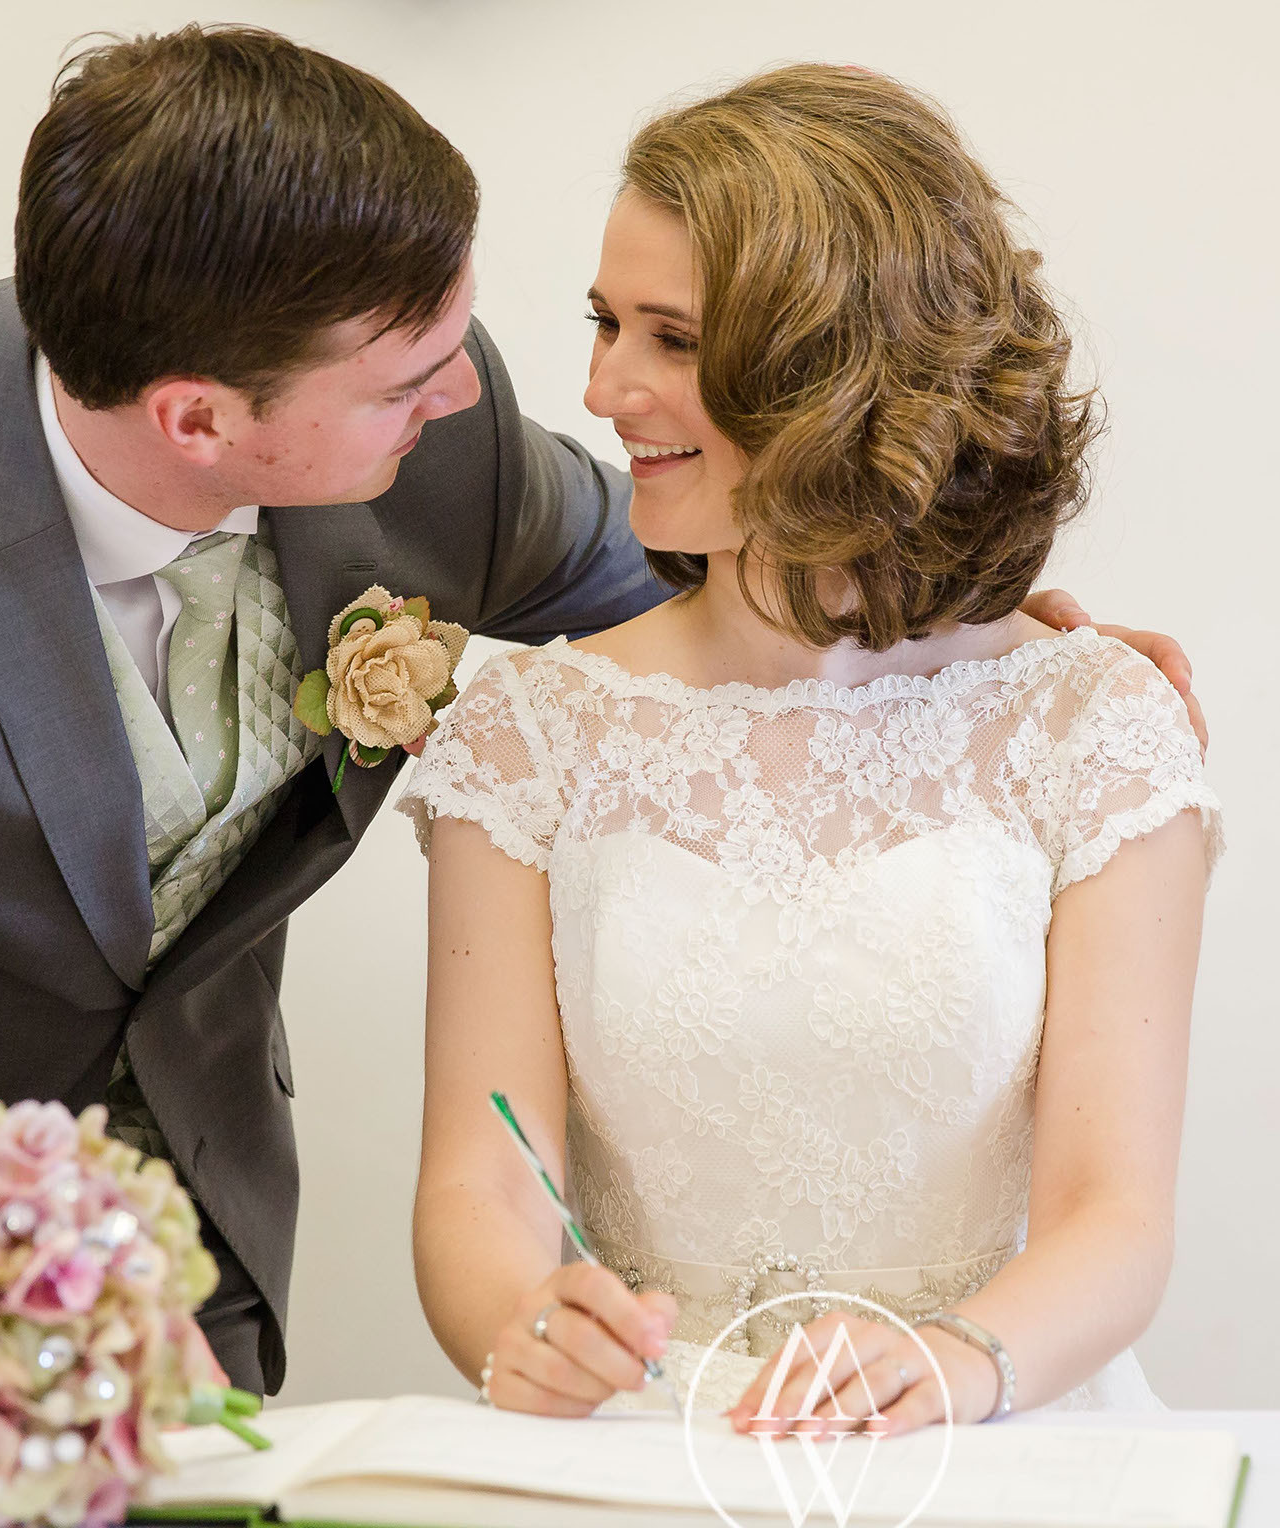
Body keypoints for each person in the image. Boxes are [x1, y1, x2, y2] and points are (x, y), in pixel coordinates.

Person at [0, 28, 1196, 1405]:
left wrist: (969, 641)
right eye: (409, 375)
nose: (484, 394)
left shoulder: (440, 430)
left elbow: (728, 589)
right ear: (202, 417)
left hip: (192, 1287)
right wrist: (18, 1342)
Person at [405, 64, 1220, 1434]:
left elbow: (1114, 1214)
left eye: (673, 339)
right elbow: (479, 1184)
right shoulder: (525, 733)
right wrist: (516, 1317)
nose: (605, 390)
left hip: (986, 1429)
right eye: (608, 324)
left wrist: (960, 1362)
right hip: (655, 1444)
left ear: (836, 375)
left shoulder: (1095, 720)